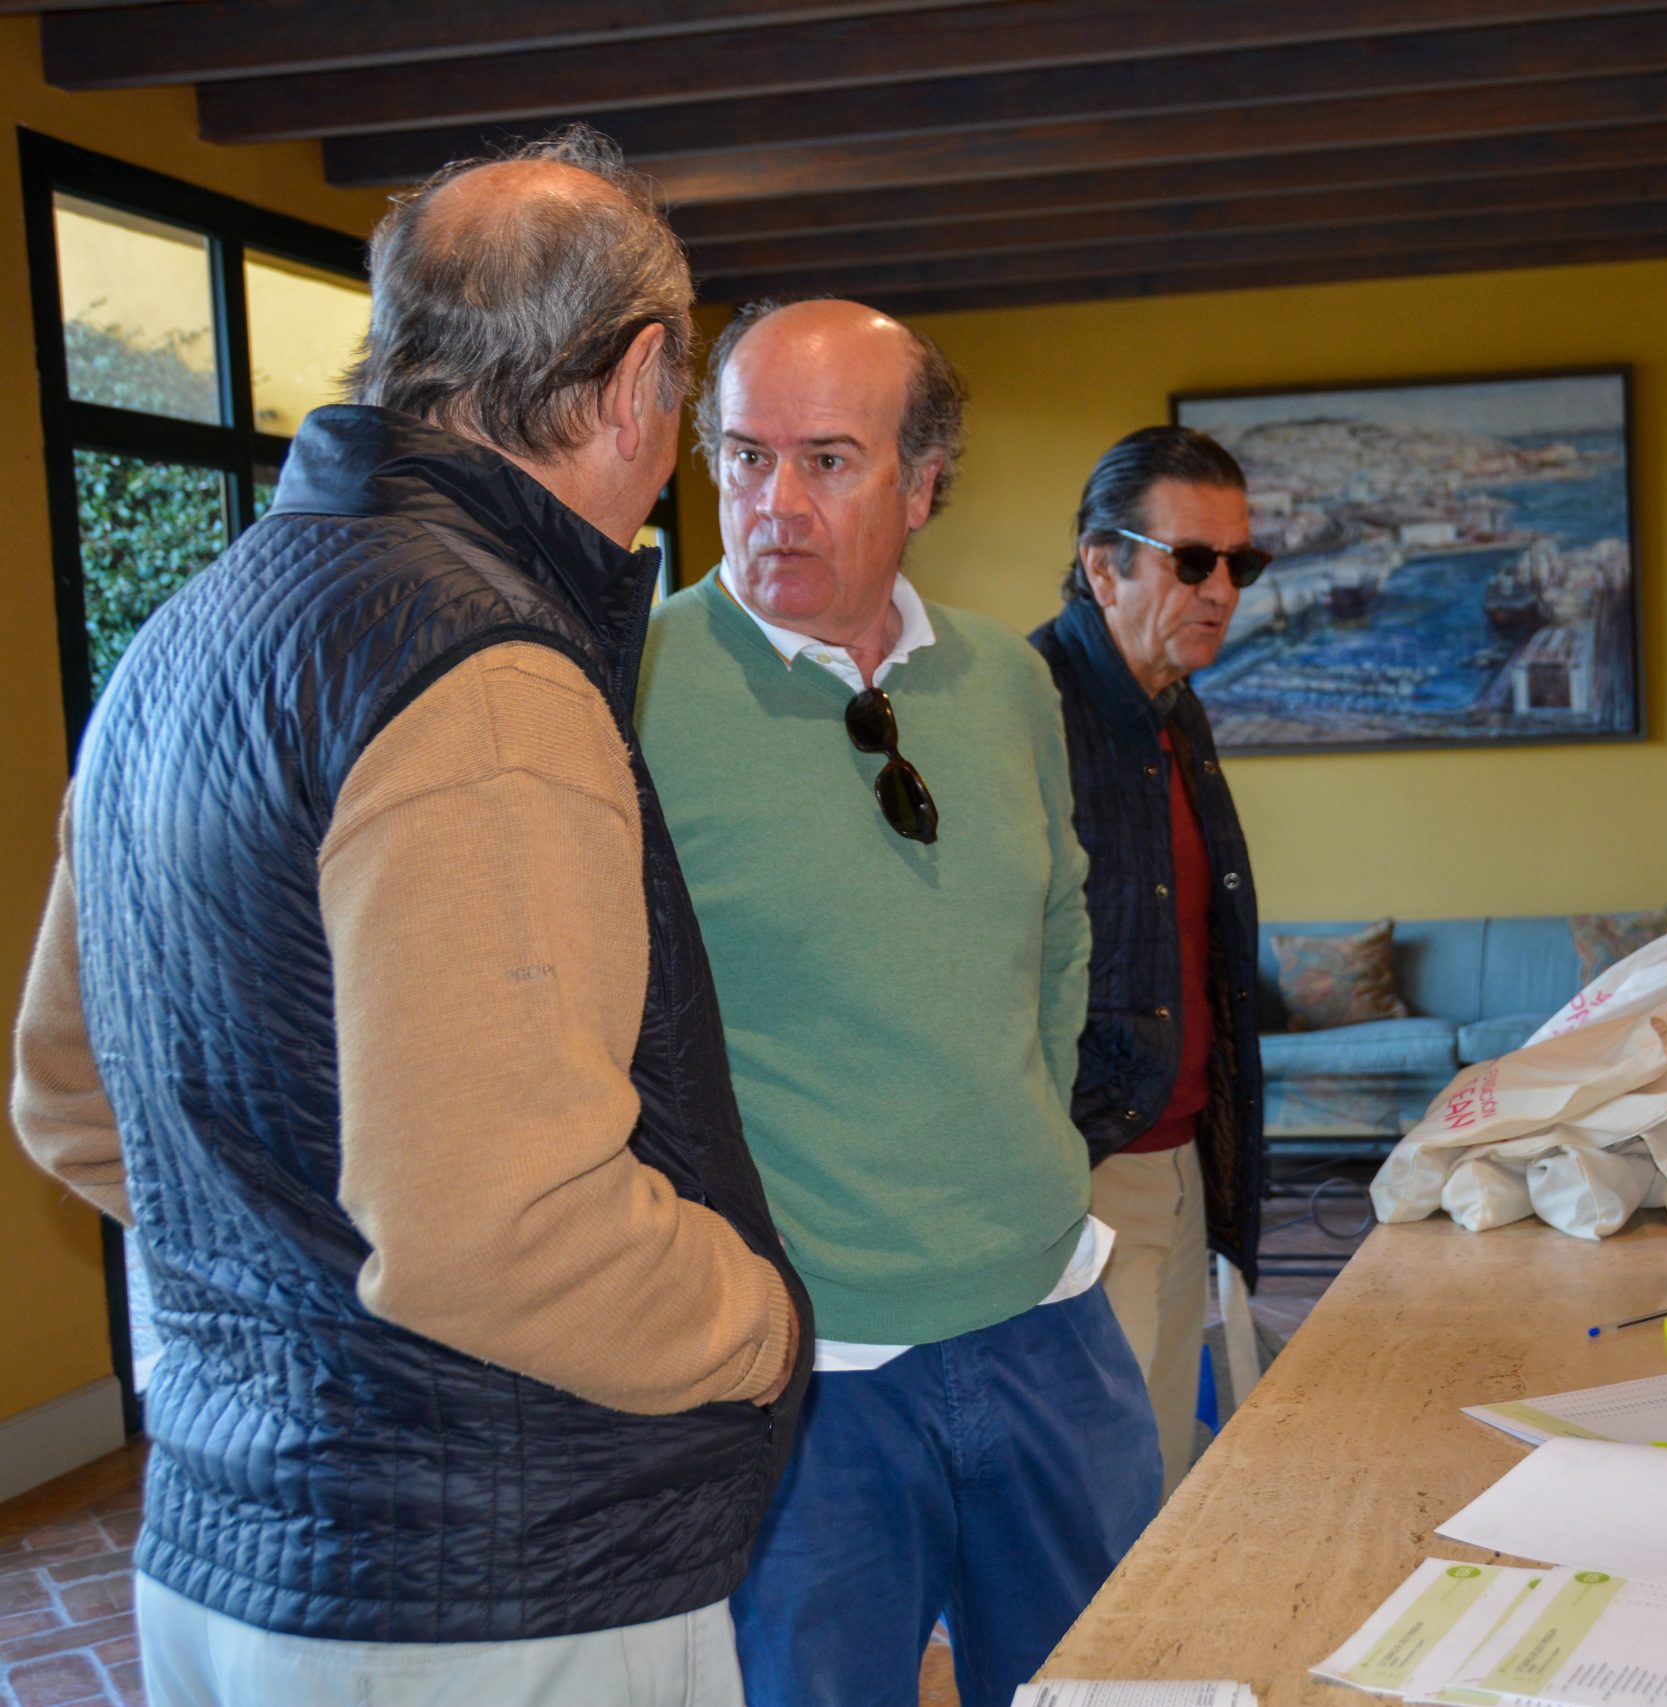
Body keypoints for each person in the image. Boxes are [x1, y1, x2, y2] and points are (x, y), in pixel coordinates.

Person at [9, 128, 809, 1707]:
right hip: (491, 1590)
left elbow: (68, 1096)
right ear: (638, 380)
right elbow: (498, 1232)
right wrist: (764, 1325)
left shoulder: (182, 635)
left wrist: (314, 1280)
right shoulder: (490, 672)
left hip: (226, 1556)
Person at [635, 299, 1156, 1707]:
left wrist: (1027, 1149)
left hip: (1050, 1317)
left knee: (1111, 1685)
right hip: (804, 1367)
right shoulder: (630, 688)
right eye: (745, 457)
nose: (775, 503)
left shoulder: (1008, 681)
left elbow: (1059, 936)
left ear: (923, 484)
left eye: (827, 460)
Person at [1031, 426, 1268, 1506]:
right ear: (1102, 565)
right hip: (1091, 1164)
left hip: (1179, 1152)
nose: (1222, 590)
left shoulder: (1177, 710)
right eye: (1193, 560)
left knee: (1163, 1467)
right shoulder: (1031, 706)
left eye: (1239, 563)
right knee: (1094, 1492)